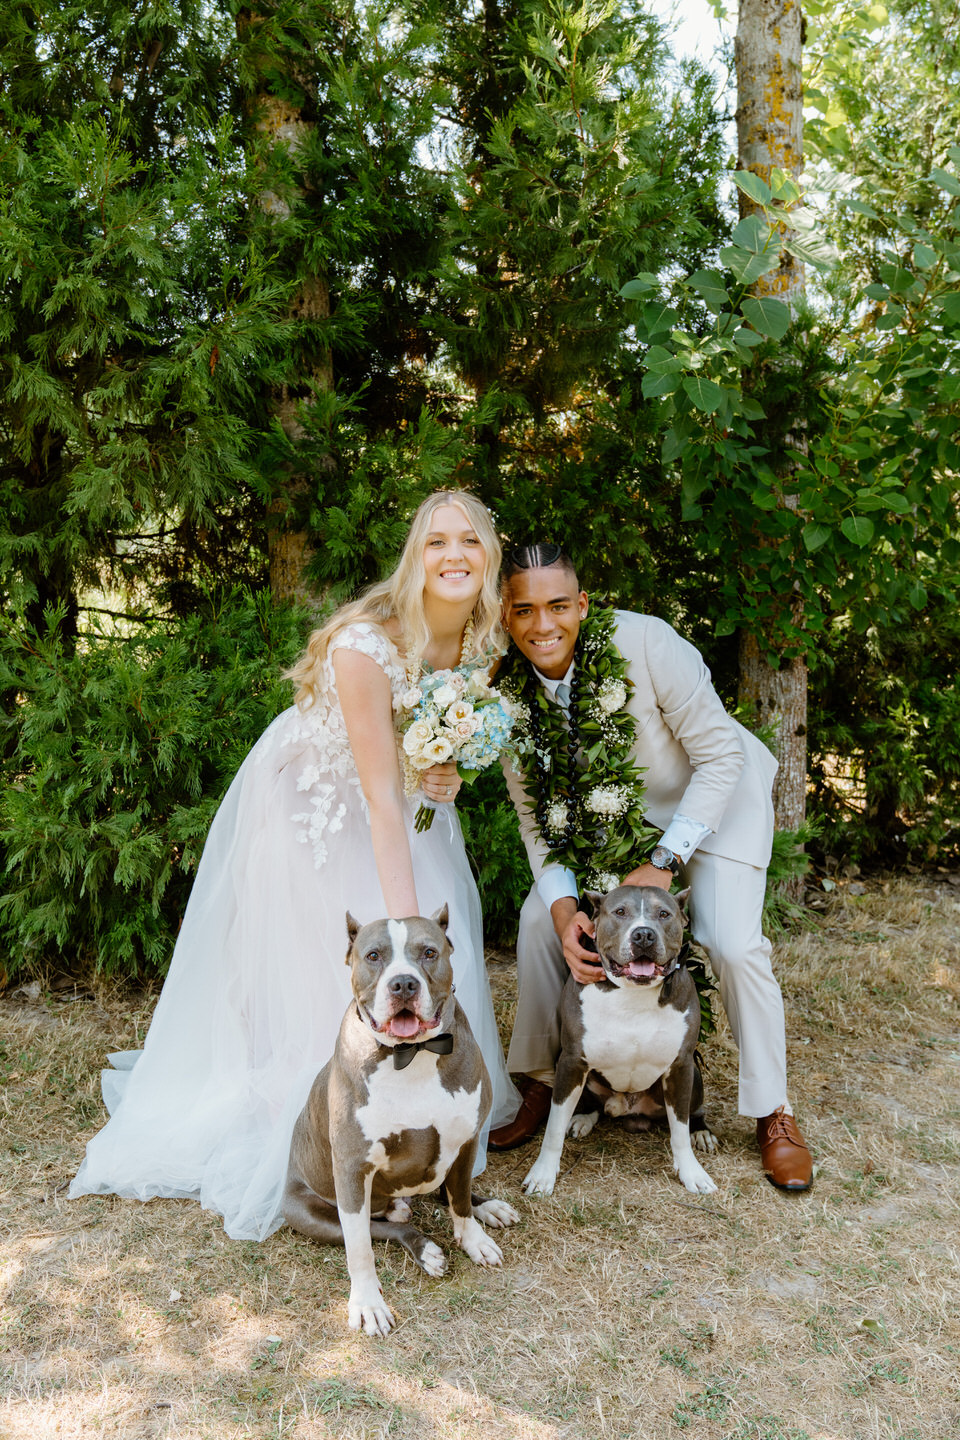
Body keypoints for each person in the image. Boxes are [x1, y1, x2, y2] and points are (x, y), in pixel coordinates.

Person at [70, 492, 520, 1239]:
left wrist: (447, 775)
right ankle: (328, 1127)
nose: (454, 556)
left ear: (489, 556)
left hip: (398, 801)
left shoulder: (485, 639)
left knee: (427, 941)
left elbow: (435, 749)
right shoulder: (363, 644)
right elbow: (380, 797)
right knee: (353, 964)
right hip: (318, 807)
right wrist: (405, 935)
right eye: (436, 541)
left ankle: (420, 1128)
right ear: (416, 554)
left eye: (469, 541)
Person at [488, 544, 813, 1192]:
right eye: (523, 610)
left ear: (581, 605)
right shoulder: (507, 697)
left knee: (732, 941)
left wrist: (666, 861)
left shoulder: (647, 643)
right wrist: (560, 911)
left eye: (557, 606)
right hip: (621, 832)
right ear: (505, 615)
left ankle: (773, 1109)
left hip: (717, 803)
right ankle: (547, 1081)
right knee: (535, 919)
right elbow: (534, 822)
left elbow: (721, 755)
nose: (542, 624)